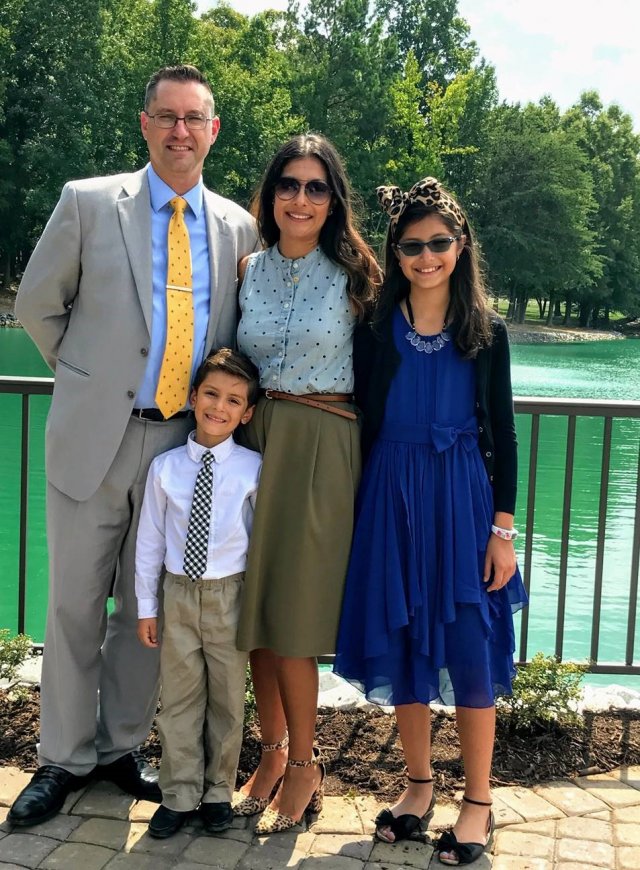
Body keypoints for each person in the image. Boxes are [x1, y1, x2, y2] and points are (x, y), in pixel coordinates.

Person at [9, 65, 258, 828]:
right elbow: (37, 306)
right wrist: (93, 382)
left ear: (213, 131)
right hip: (94, 441)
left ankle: (117, 749)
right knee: (75, 607)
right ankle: (62, 759)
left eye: (195, 118)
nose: (180, 130)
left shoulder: (237, 227)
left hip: (181, 454)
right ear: (145, 124)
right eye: (167, 116)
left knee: (149, 612)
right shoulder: (87, 202)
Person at [333, 177, 528, 865]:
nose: (426, 257)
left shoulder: (486, 332)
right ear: (398, 251)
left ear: (460, 245)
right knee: (407, 644)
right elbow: (358, 421)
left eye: (439, 243)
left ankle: (478, 801)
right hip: (391, 495)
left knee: (470, 650)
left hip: (463, 501)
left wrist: (502, 532)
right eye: (412, 246)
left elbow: (503, 436)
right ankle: (418, 786)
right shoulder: (374, 331)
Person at [234, 133, 379, 834]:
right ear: (272, 193)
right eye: (288, 184)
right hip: (253, 442)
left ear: (333, 200)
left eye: (316, 187)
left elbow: (387, 379)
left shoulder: (358, 277)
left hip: (323, 445)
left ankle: (306, 767)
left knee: (292, 620)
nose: (300, 198)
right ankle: (270, 753)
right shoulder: (248, 268)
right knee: (255, 616)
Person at [135, 348, 262, 839]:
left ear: (246, 413)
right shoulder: (165, 468)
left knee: (228, 700)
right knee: (180, 700)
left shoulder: (253, 468)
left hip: (230, 594)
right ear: (193, 397)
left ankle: (217, 792)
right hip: (179, 596)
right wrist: (147, 606)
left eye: (234, 400)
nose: (219, 407)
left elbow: (259, 542)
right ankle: (179, 793)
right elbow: (148, 539)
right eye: (211, 394)